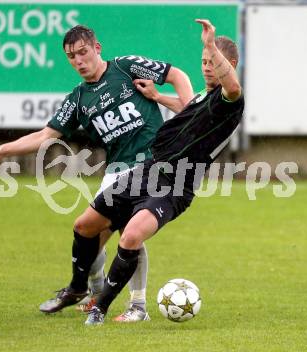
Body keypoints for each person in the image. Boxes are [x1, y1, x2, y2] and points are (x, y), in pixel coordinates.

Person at [0, 25, 193, 322]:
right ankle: (94, 290)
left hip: (151, 166)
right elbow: (45, 136)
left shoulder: (125, 67)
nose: (79, 60)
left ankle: (137, 306)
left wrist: (191, 110)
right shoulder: (78, 99)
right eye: (71, 57)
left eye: (83, 52)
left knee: (131, 234)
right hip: (116, 172)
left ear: (97, 48)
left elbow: (176, 75)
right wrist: (3, 151)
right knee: (89, 239)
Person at [52, 18, 245, 325]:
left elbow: (232, 86)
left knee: (130, 237)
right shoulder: (201, 99)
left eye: (213, 62)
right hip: (148, 170)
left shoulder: (229, 101)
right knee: (85, 225)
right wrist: (157, 97)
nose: (207, 67)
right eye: (204, 61)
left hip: (175, 185)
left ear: (229, 63)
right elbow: (188, 109)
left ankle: (110, 307)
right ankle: (80, 288)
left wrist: (209, 43)